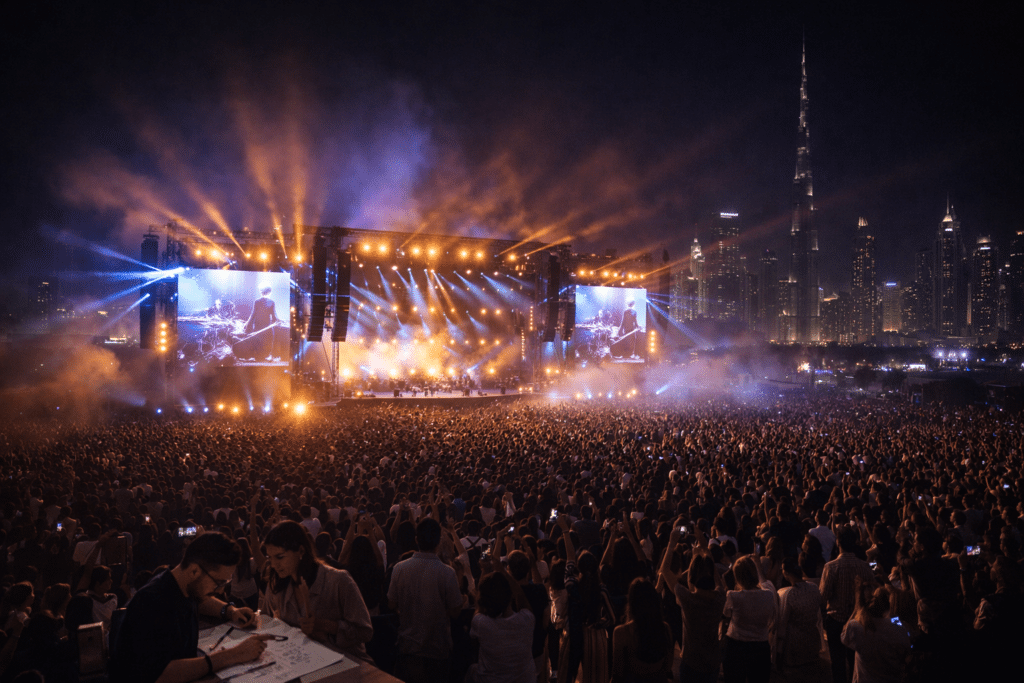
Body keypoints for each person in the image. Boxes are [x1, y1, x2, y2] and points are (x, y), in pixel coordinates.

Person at [109, 531, 271, 683]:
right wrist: (234, 655)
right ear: (194, 570)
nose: (221, 590)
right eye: (219, 583)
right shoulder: (152, 602)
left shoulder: (180, 583)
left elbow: (201, 600)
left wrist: (230, 611)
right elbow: (159, 674)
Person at [260, 520, 373, 661]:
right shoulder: (278, 583)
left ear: (301, 551)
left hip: (345, 662)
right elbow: (266, 617)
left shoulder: (338, 581)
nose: (274, 565)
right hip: (301, 660)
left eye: (280, 557)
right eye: (270, 558)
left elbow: (365, 632)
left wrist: (326, 626)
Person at [387, 517, 465, 683]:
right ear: (438, 542)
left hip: (408, 648)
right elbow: (456, 612)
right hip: (438, 649)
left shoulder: (399, 568)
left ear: (417, 540)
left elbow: (391, 603)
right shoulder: (447, 573)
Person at [820, 527, 875, 683]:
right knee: (855, 661)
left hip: (836, 620)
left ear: (838, 542)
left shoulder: (831, 567)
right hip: (858, 620)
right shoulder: (864, 566)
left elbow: (823, 596)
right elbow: (872, 592)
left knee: (837, 663)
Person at [840, 581, 910, 683]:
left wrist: (857, 603)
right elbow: (906, 653)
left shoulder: (857, 628)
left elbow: (844, 637)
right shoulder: (899, 630)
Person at [721, 554, 776, 683]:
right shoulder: (768, 595)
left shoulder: (733, 596)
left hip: (736, 646)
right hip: (761, 647)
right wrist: (757, 564)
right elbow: (763, 583)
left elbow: (726, 615)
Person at [610, 577, 673, 683]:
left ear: (631, 603)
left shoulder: (622, 633)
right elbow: (667, 667)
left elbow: (617, 674)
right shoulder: (665, 629)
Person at [242, 285, 281, 361]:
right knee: (268, 339)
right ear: (269, 292)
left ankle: (259, 356)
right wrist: (277, 320)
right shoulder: (271, 302)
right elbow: (274, 315)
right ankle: (265, 356)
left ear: (261, 292)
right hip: (265, 324)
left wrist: (248, 324)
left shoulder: (257, 301)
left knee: (259, 339)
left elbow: (253, 314)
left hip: (260, 324)